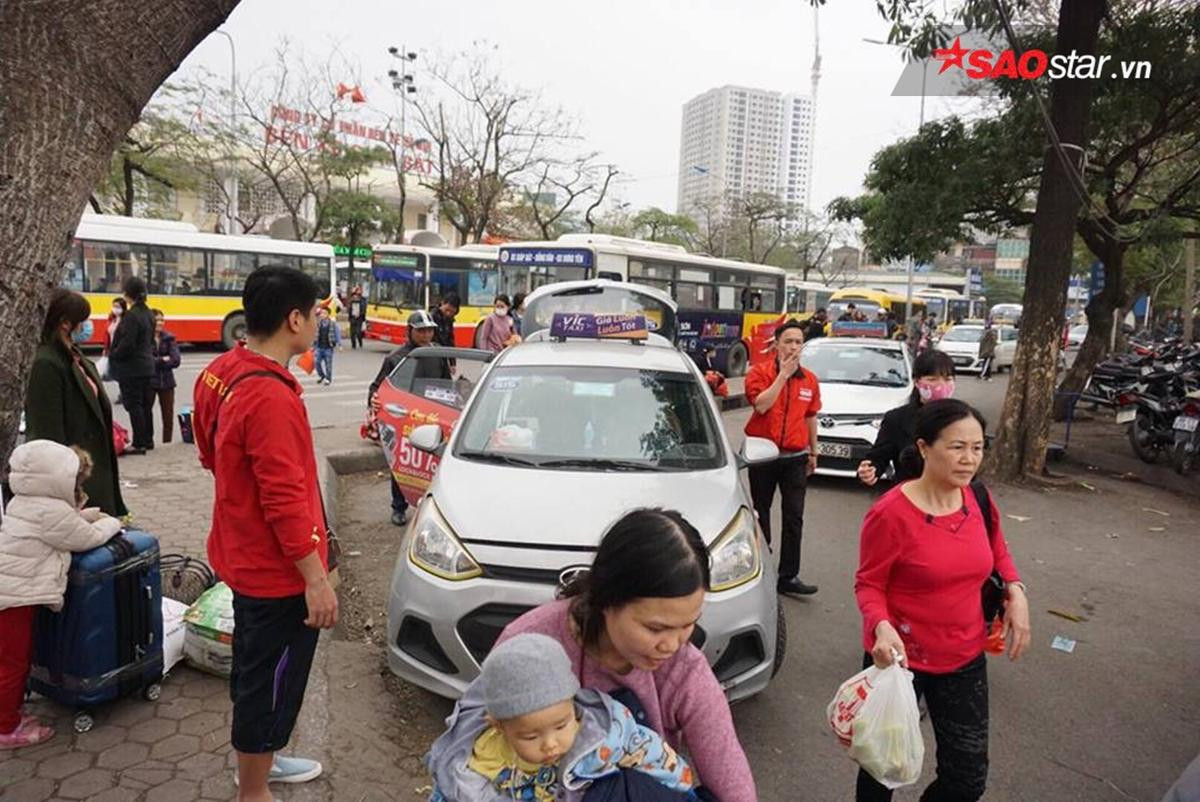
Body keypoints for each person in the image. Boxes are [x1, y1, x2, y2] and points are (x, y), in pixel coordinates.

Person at [192, 266, 336, 799]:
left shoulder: (222, 369)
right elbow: (284, 498)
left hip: (241, 553)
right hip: (274, 573)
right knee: (270, 682)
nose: (320, 321)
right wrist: (316, 579)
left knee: (256, 671)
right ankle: (253, 789)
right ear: (293, 319)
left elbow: (209, 453)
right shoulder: (270, 397)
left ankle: (261, 761)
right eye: (317, 312)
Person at [493, 509, 755, 802]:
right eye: (656, 628)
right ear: (606, 600)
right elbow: (471, 749)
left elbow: (730, 777)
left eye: (687, 624)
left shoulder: (685, 670)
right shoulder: (527, 645)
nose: (671, 645)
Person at [854, 399, 1031, 802]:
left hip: (964, 659)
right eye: (957, 447)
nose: (969, 459)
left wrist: (1016, 591)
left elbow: (998, 551)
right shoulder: (891, 514)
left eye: (977, 447)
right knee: (882, 768)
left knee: (967, 779)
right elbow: (868, 584)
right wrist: (880, 625)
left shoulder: (978, 499)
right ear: (923, 448)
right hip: (898, 661)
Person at [428, 633, 700, 801]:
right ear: (498, 726)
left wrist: (679, 786)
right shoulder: (477, 761)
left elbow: (650, 753)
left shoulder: (604, 734)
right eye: (531, 736)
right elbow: (451, 792)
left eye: (561, 725)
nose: (550, 744)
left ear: (574, 705)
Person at [0, 441, 122, 749]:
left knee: (8, 660)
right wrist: (111, 521)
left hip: (9, 592)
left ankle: (9, 714)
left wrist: (86, 514)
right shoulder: (52, 511)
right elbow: (87, 538)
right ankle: (6, 728)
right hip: (13, 600)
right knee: (12, 664)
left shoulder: (23, 500)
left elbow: (59, 527)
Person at [25, 289, 127, 517]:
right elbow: (46, 431)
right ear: (65, 323)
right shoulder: (46, 363)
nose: (87, 325)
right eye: (83, 320)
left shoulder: (75, 355)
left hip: (95, 465)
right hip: (74, 473)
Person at [744, 319, 822, 596]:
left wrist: (814, 450)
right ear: (776, 344)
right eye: (788, 341)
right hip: (763, 456)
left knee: (794, 517)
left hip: (796, 457)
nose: (793, 346)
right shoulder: (759, 373)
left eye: (798, 342)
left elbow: (811, 416)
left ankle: (788, 576)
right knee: (760, 512)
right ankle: (762, 570)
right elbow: (761, 405)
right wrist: (783, 376)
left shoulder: (810, 380)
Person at [368, 310, 451, 527]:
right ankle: (398, 507)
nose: (426, 335)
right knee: (403, 464)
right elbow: (377, 387)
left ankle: (432, 508)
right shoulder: (396, 358)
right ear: (410, 331)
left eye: (429, 331)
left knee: (433, 465)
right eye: (421, 331)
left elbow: (448, 384)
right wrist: (375, 400)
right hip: (404, 418)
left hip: (433, 416)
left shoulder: (439, 354)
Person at [857, 350, 957, 487]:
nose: (940, 385)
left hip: (950, 499)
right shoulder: (897, 419)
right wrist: (870, 470)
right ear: (917, 382)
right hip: (907, 497)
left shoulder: (963, 420)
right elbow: (878, 458)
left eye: (947, 379)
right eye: (932, 379)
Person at [107, 276, 156, 453]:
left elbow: (127, 344)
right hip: (147, 366)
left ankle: (139, 442)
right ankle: (148, 439)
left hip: (132, 368)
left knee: (134, 405)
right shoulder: (149, 313)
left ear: (128, 294)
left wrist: (114, 354)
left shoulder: (132, 316)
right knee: (145, 405)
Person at [150, 310, 182, 444]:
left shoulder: (169, 338)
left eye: (162, 320)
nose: (160, 323)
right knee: (146, 414)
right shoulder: (144, 338)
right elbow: (146, 360)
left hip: (167, 382)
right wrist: (163, 359)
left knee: (168, 416)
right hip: (150, 381)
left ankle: (167, 442)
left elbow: (176, 360)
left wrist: (157, 361)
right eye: (157, 320)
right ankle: (148, 441)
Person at [312, 304, 342, 386]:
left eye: (324, 313)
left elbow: (337, 333)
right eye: (321, 313)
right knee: (316, 362)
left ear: (328, 314)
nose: (322, 315)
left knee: (328, 365)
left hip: (328, 348)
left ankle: (328, 379)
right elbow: (315, 335)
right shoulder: (319, 323)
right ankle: (322, 376)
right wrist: (313, 346)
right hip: (319, 347)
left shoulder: (332, 324)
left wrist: (339, 344)